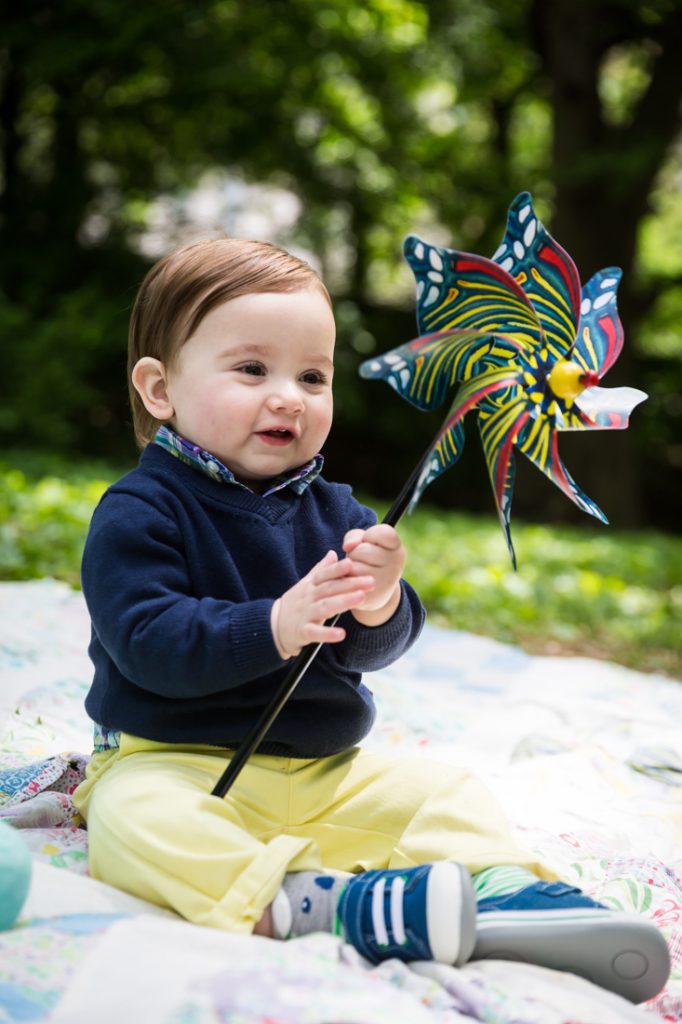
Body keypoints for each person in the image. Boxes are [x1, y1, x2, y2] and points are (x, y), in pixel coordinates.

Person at [73, 238, 669, 1003]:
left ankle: (507, 893)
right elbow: (149, 645)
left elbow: (372, 651)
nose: (289, 394)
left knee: (441, 790)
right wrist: (276, 625)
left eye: (312, 376)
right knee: (134, 822)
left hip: (323, 773)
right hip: (178, 762)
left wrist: (381, 603)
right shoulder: (141, 511)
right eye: (253, 369)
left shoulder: (338, 513)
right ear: (160, 389)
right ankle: (306, 905)